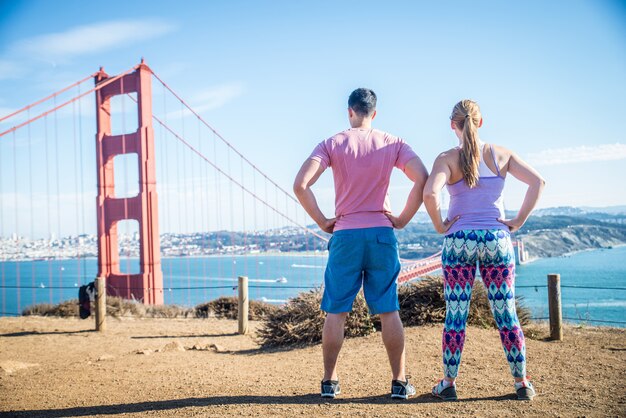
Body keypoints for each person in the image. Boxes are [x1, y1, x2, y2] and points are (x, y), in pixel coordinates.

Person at [293, 88, 428, 400]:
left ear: (349, 112)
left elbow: (300, 184)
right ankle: (399, 382)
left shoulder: (332, 143)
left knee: (336, 311)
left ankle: (329, 382)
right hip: (382, 232)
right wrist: (403, 217)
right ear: (375, 113)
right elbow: (422, 177)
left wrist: (322, 220)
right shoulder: (393, 142)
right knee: (388, 308)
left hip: (345, 234)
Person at [423, 99, 545, 401]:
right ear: (480, 122)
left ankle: (449, 383)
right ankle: (522, 383)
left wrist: (440, 225)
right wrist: (517, 221)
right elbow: (538, 182)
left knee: (456, 315)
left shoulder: (446, 158)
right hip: (497, 240)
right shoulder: (502, 154)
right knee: (506, 313)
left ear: (454, 125)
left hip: (459, 240)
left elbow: (429, 192)